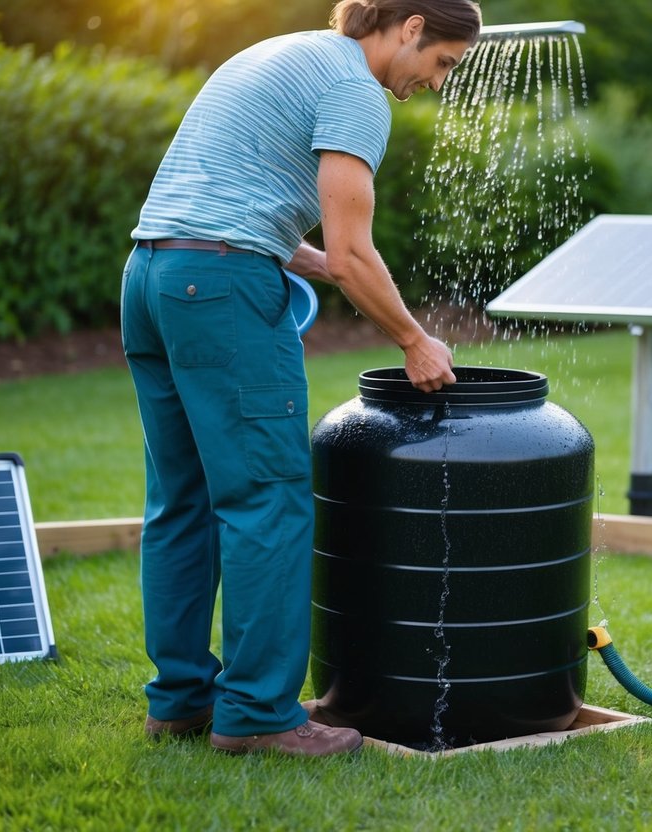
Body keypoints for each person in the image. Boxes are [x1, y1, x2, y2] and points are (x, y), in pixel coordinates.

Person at [121, 0, 481, 757]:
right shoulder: (355, 88)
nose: (436, 81)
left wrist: (309, 260)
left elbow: (231, 200)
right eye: (441, 62)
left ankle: (180, 700)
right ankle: (256, 714)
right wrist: (415, 340)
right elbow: (352, 253)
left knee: (182, 498)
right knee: (268, 500)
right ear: (410, 26)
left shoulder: (281, 53)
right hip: (220, 289)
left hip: (152, 275)